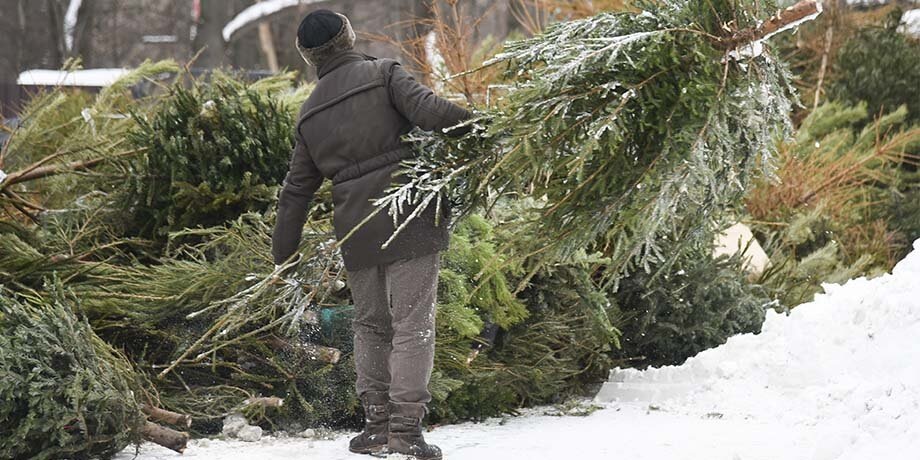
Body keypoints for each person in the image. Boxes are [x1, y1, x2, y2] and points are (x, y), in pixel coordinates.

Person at [271, 9, 471, 460]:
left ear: (307, 56)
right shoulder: (383, 75)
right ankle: (405, 432)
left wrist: (282, 254)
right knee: (412, 324)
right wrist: (483, 129)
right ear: (349, 36)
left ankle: (375, 427)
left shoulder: (310, 114)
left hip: (357, 229)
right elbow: (434, 113)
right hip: (408, 213)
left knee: (370, 325)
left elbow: (295, 192)